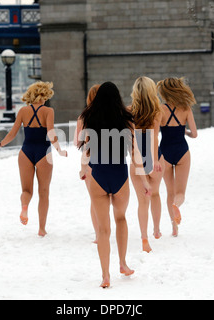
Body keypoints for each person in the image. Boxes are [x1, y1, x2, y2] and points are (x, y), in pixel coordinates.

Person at [78, 82, 151, 288]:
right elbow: (135, 154)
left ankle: (105, 275)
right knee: (120, 219)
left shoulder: (90, 117)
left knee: (103, 229)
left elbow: (86, 148)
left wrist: (84, 169)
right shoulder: (126, 120)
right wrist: (144, 180)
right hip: (119, 175)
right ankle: (123, 263)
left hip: (98, 175)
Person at [0, 81, 67, 237]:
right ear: (44, 95)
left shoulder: (23, 111)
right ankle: (41, 229)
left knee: (26, 190)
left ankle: (24, 206)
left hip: (25, 152)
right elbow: (51, 133)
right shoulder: (48, 111)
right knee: (44, 192)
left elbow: (12, 134)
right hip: (43, 153)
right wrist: (59, 150)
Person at [157, 78, 198, 237]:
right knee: (180, 193)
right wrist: (184, 132)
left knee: (169, 191)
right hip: (182, 150)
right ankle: (177, 205)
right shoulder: (186, 108)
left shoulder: (160, 110)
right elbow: (194, 134)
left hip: (165, 151)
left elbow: (155, 132)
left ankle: (174, 227)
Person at [129, 77, 164, 253]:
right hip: (153, 157)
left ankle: (144, 237)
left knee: (142, 201)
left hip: (136, 159)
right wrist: (156, 160)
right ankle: (156, 229)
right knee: (155, 194)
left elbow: (131, 142)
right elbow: (155, 138)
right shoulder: (157, 111)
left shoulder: (129, 112)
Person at [75, 84, 101, 243]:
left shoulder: (84, 116)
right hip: (112, 160)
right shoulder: (115, 114)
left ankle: (99, 235)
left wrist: (83, 167)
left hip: (90, 161)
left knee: (95, 200)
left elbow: (79, 143)